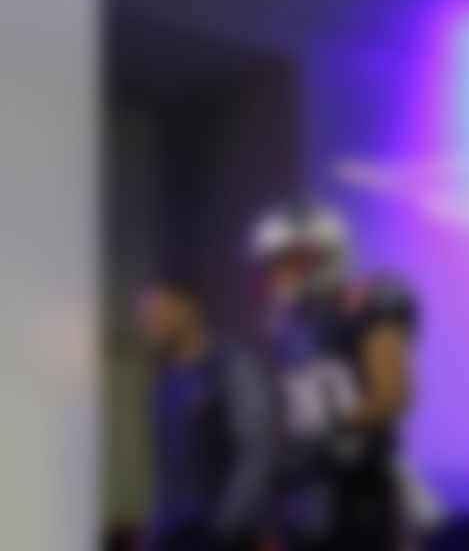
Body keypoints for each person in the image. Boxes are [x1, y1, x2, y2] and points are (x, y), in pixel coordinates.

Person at [250, 201, 420, 551]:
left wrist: (332, 427)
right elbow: (297, 417)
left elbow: (392, 395)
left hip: (360, 496)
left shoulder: (370, 299)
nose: (281, 272)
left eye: (293, 259)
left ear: (327, 255)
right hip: (306, 496)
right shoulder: (292, 323)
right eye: (275, 262)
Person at [136, 278, 273, 551]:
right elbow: (165, 470)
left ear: (188, 308)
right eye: (144, 316)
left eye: (157, 312)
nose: (149, 323)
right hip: (171, 534)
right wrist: (150, 534)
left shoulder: (233, 367)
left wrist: (225, 527)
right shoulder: (165, 382)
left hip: (218, 534)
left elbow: (258, 452)